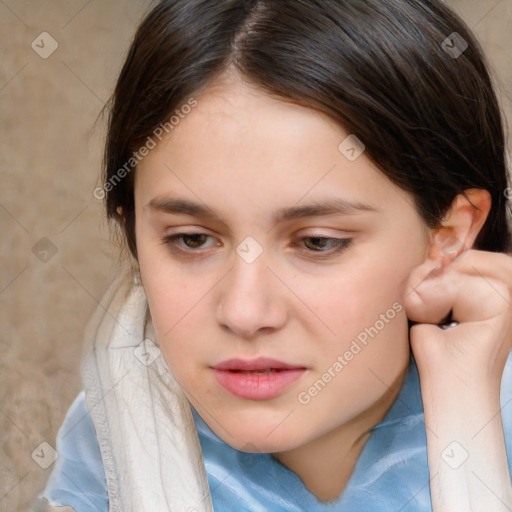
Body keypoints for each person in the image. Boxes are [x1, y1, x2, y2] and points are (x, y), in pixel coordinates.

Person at [32, 0, 512, 510]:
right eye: (192, 239)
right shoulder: (109, 439)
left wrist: (469, 432)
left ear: (449, 236)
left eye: (317, 242)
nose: (245, 312)